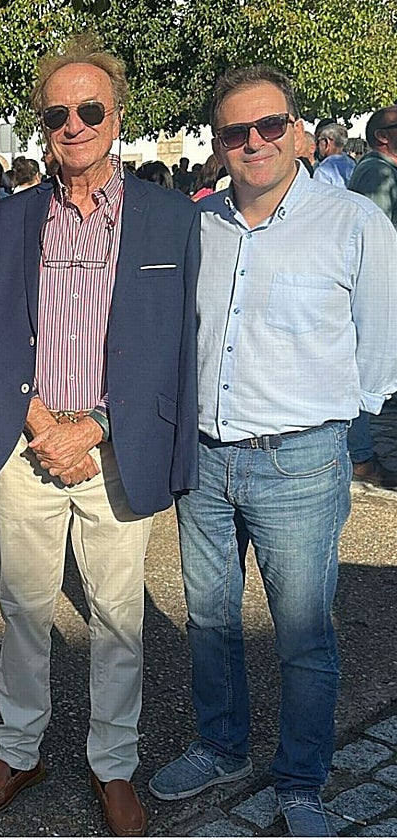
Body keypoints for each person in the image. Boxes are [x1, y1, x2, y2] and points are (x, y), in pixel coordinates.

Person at [0, 38, 199, 837]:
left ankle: (113, 766)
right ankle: (18, 751)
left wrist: (95, 427)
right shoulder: (9, 218)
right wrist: (40, 424)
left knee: (118, 618)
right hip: (28, 447)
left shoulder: (169, 219)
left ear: (116, 117)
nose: (75, 123)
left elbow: (173, 346)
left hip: (115, 450)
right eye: (58, 112)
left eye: (90, 108)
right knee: (24, 610)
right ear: (43, 124)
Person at [147, 66, 397, 837]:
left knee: (303, 637)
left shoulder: (354, 223)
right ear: (219, 142)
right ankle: (222, 747)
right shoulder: (200, 223)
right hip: (205, 459)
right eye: (236, 131)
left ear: (296, 129)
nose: (253, 142)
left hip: (299, 462)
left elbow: (381, 346)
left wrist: (333, 427)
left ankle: (301, 781)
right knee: (209, 620)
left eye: (269, 125)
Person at [344, 106, 397, 489]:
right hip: (378, 293)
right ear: (382, 135)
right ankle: (360, 456)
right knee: (363, 366)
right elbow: (375, 248)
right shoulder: (377, 174)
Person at [313, 122, 356, 187]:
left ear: (327, 142)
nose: (317, 146)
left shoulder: (323, 172)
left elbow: (319, 193)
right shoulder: (353, 165)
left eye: (318, 141)